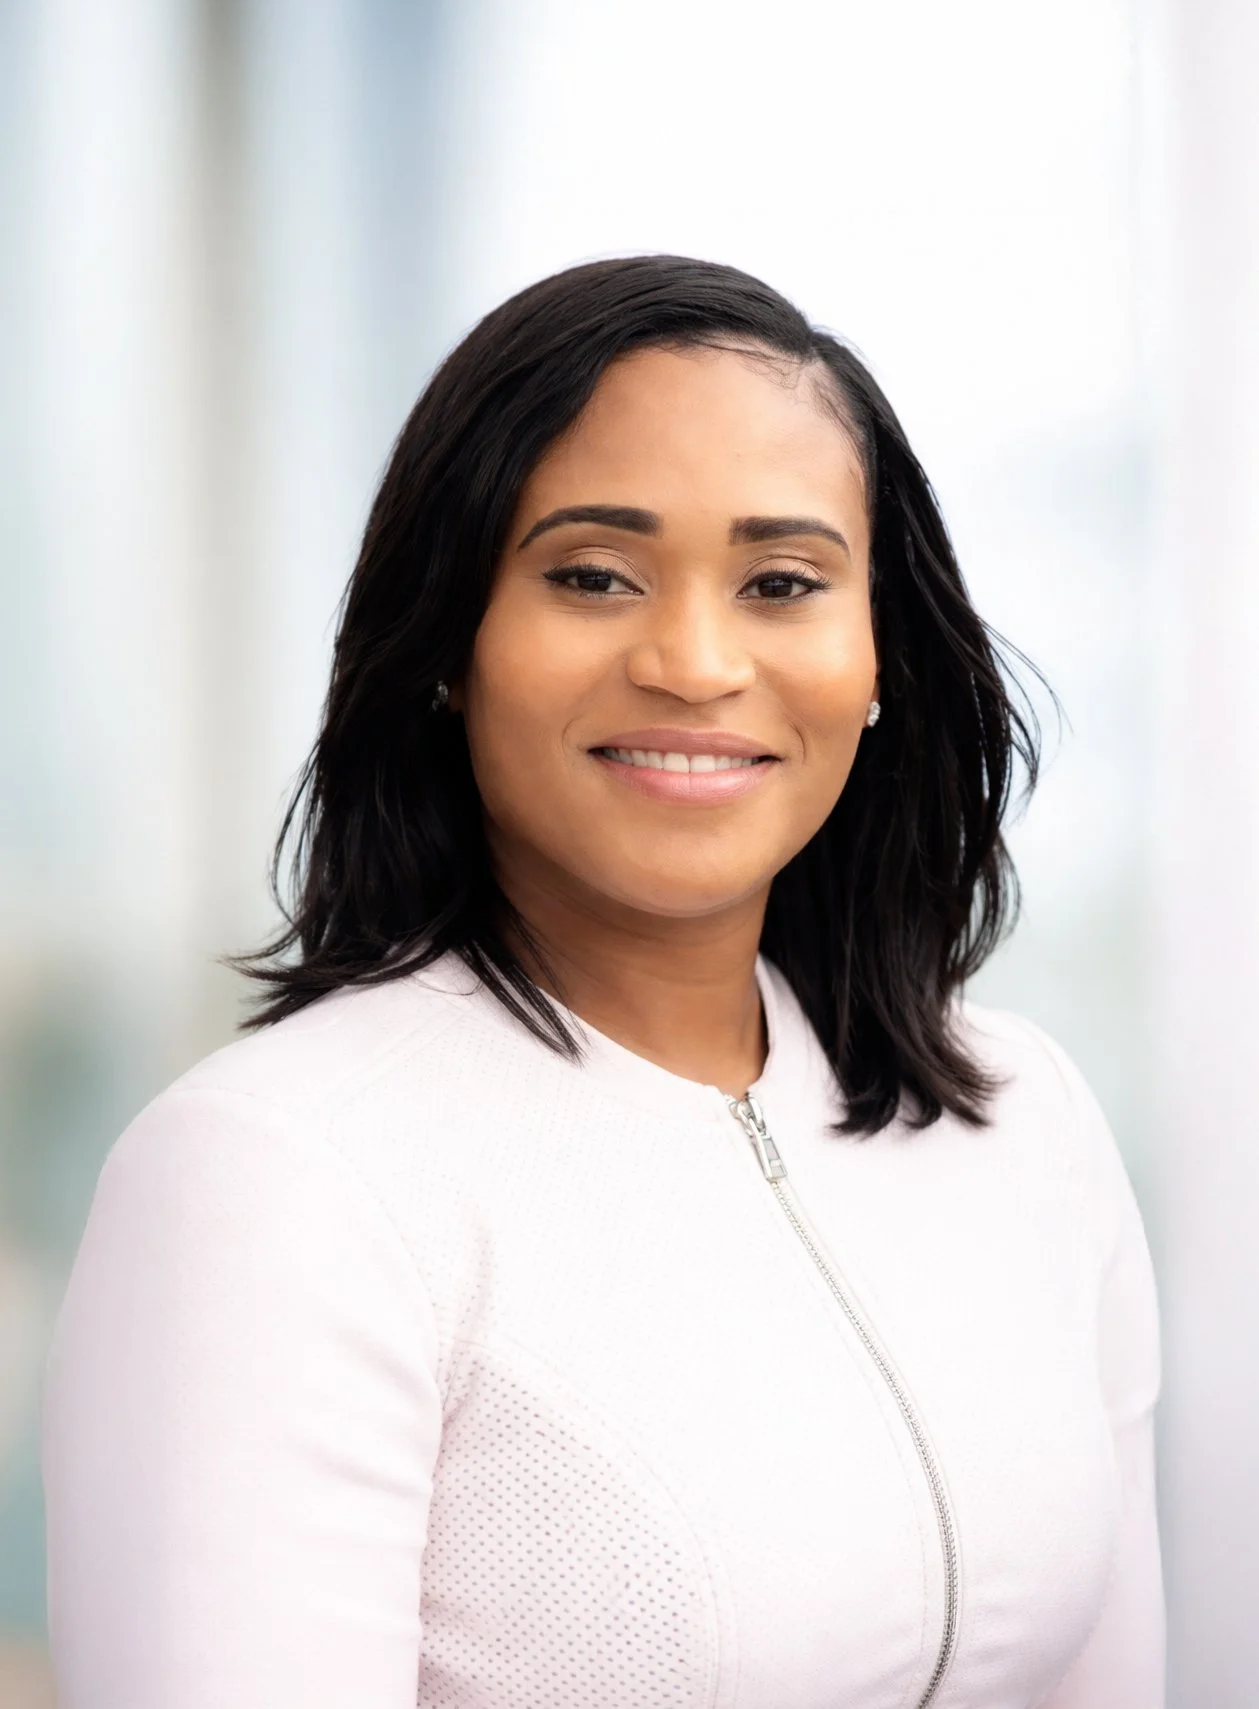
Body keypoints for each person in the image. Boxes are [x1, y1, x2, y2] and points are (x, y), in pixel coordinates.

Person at [40, 255, 1163, 1708]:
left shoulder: (1023, 1125)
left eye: (781, 583)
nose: (694, 662)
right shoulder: (273, 1176)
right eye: (589, 576)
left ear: (877, 652)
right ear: (448, 641)